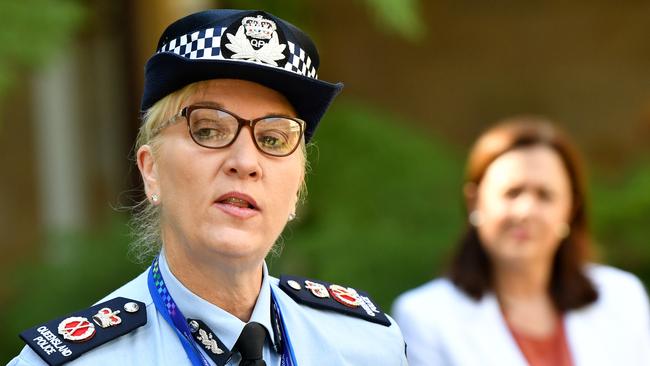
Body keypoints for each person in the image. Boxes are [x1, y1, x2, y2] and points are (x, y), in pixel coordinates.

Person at [10, 9, 407, 366]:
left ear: (298, 188)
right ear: (152, 171)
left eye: (272, 139)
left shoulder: (368, 346)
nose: (246, 163)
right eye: (209, 130)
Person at [392, 117, 650, 366]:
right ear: (474, 202)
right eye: (512, 193)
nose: (526, 210)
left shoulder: (623, 298)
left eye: (544, 195)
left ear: (571, 209)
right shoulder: (425, 317)